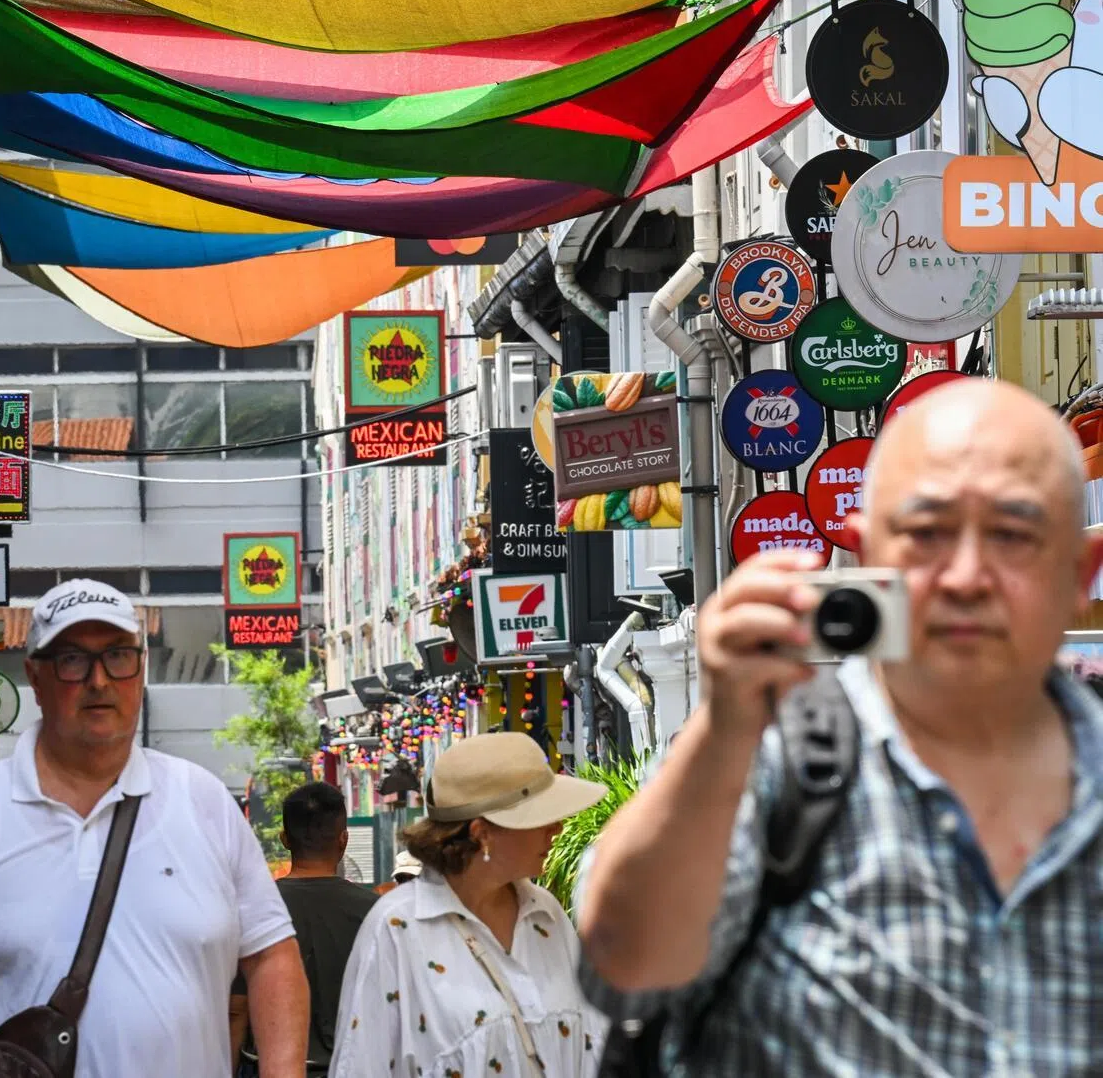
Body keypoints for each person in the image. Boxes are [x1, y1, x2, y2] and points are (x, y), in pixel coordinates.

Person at [579, 379, 1103, 1076]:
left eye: (1014, 535)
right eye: (928, 532)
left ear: (1081, 571)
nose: (968, 575)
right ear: (862, 549)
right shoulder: (771, 760)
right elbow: (624, 968)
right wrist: (722, 733)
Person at [0, 579, 309, 1077]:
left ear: (141, 668)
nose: (99, 681)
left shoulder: (202, 800)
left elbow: (272, 955)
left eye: (118, 656)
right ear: (36, 677)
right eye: (73, 659)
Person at [329, 732, 610, 1077]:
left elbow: (595, 1042)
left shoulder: (545, 914)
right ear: (482, 833)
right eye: (541, 817)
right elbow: (361, 1064)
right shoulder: (398, 928)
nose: (557, 827)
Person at [231, 782, 376, 1076]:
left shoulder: (253, 909)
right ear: (344, 839)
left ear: (285, 839)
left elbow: (237, 1009)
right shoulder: (377, 913)